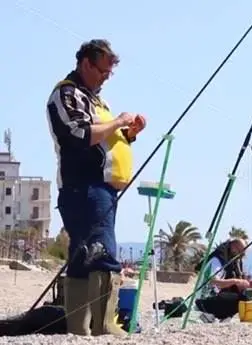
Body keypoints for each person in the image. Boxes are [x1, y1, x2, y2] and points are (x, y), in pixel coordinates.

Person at [46, 39, 147, 336]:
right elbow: (78, 135)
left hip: (102, 188)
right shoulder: (66, 93)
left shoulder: (95, 99)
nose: (106, 76)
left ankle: (79, 328)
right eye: (103, 70)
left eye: (109, 73)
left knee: (83, 255)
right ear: (86, 63)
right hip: (83, 186)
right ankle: (105, 326)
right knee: (103, 252)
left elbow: (106, 141)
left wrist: (129, 133)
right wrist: (117, 122)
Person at [194, 238, 252, 320]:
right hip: (204, 301)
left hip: (214, 297)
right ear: (233, 247)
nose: (240, 255)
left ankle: (222, 316)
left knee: (247, 295)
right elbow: (214, 281)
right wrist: (236, 281)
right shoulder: (216, 260)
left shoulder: (227, 262)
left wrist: (246, 284)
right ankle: (213, 315)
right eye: (240, 252)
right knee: (242, 299)